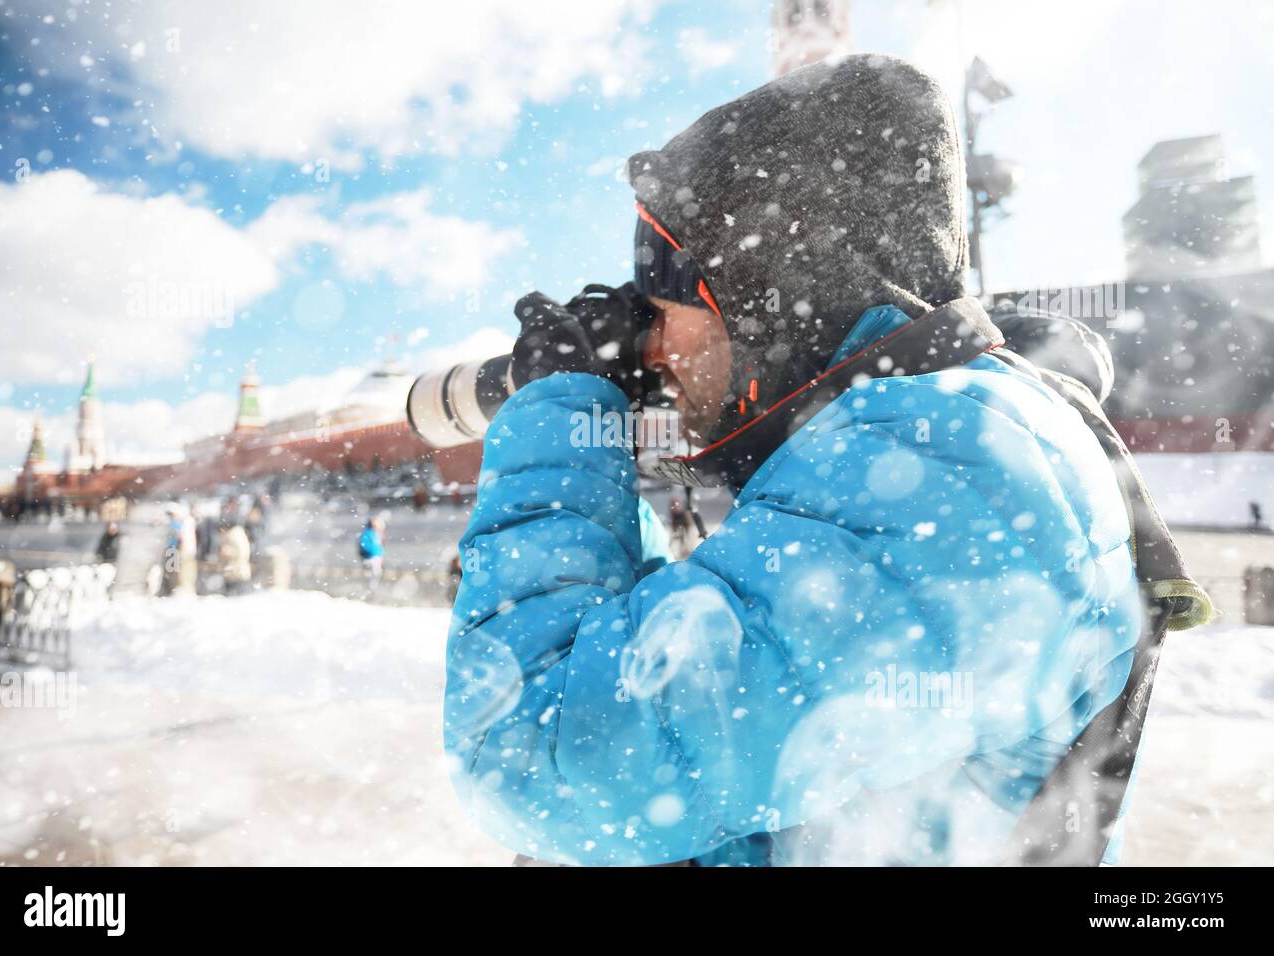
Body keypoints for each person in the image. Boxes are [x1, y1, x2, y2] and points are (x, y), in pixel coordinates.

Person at [443, 56, 1165, 867]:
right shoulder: (910, 440)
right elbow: (686, 682)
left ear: (758, 299)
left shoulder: (949, 460)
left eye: (668, 311)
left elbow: (540, 753)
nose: (655, 348)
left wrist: (560, 409)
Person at [218, 520, 252, 596]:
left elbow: (242, 552)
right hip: (234, 571)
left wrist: (228, 552)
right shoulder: (235, 535)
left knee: (237, 598)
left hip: (237, 572)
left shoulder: (235, 536)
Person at [358, 515, 386, 590]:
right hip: (369, 557)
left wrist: (381, 556)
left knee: (376, 574)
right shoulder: (368, 533)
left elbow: (380, 547)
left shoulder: (377, 534)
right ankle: (369, 589)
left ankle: (372, 589)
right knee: (371, 575)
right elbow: (364, 545)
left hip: (375, 557)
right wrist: (370, 553)